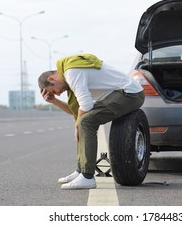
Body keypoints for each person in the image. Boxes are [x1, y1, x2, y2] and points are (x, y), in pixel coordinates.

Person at [38, 54, 144, 190]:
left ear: (51, 79)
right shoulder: (70, 73)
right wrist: (54, 101)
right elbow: (76, 111)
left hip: (130, 94)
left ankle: (87, 177)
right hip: (119, 94)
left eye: (54, 91)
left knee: (85, 122)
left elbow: (86, 106)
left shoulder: (72, 72)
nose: (58, 93)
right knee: (83, 121)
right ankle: (81, 170)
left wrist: (78, 125)